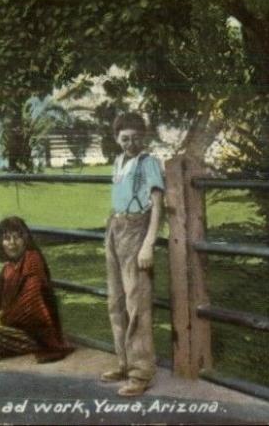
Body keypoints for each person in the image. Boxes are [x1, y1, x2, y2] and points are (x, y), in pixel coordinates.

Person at [101, 112, 165, 397]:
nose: (130, 143)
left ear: (144, 137)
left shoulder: (148, 162)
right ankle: (124, 363)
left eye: (136, 138)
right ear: (117, 139)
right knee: (115, 301)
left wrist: (149, 243)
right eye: (125, 138)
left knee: (136, 302)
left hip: (136, 230)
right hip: (115, 228)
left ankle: (141, 373)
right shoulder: (119, 161)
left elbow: (157, 205)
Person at [0, 216, 74, 363]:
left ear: (26, 240)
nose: (12, 243)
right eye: (6, 238)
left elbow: (30, 304)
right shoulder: (9, 267)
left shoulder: (32, 260)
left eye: (17, 237)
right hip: (14, 324)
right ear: (0, 242)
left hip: (35, 333)